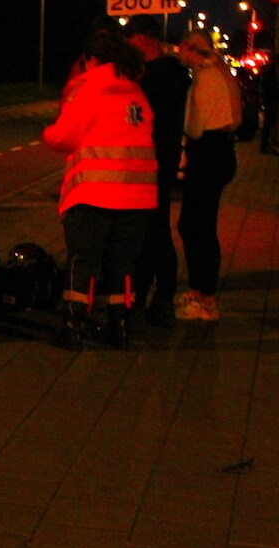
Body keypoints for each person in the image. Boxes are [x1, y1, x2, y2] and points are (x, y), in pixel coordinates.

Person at [43, 30, 157, 350]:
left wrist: (48, 134)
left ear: (91, 59)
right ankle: (119, 326)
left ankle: (72, 325)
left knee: (83, 259)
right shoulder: (134, 89)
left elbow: (64, 135)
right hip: (138, 195)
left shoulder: (89, 85)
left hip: (95, 192)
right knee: (122, 263)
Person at [123, 15, 190, 328]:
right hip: (157, 161)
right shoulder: (171, 73)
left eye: (131, 38)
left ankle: (157, 297)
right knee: (154, 230)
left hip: (153, 162)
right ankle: (155, 297)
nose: (128, 45)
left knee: (154, 232)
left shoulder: (160, 76)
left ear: (144, 38)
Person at [174, 29, 241, 321]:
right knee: (195, 223)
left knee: (197, 224)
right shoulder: (220, 72)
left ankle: (205, 298)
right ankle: (199, 291)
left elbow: (196, 125)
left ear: (194, 49)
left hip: (209, 151)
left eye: (183, 49)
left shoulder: (207, 76)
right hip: (219, 152)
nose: (179, 54)